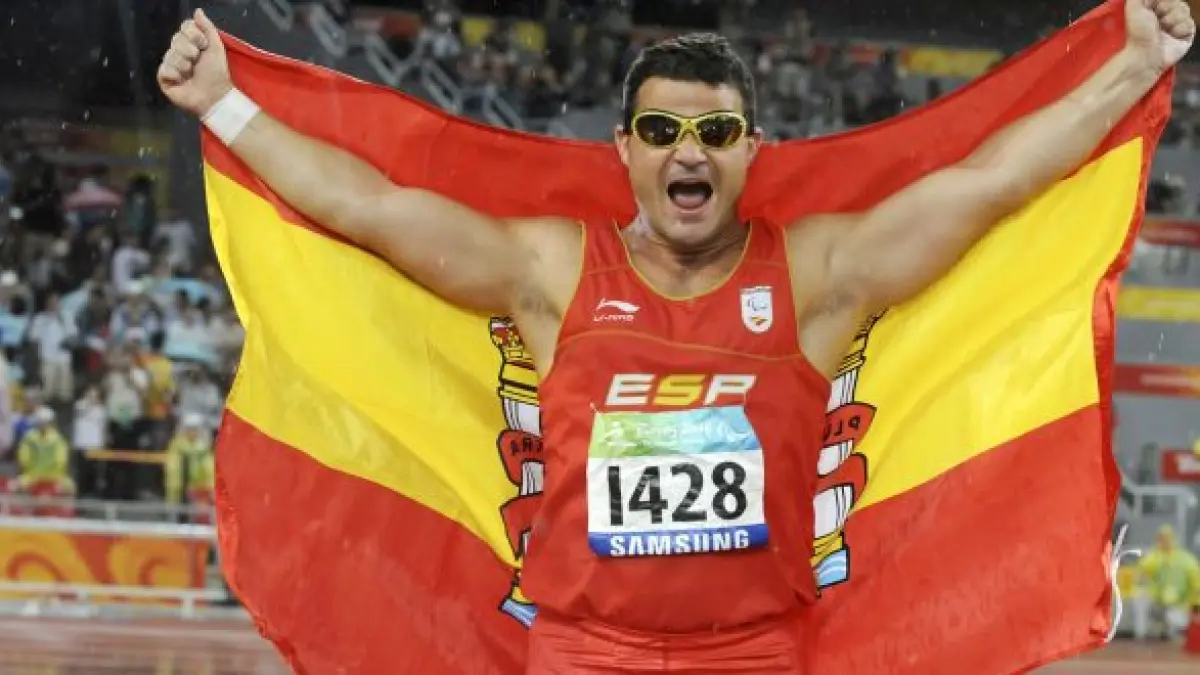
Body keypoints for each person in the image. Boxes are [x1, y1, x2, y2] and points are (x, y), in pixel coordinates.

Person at [158, 2, 1195, 672]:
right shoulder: (554, 273)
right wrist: (224, 106)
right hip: (583, 653)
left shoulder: (817, 277)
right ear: (624, 149)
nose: (685, 152)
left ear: (751, 150)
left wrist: (1136, 62)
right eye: (660, 131)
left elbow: (991, 185)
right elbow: (372, 210)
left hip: (755, 653)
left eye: (713, 133)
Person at [1132, 525, 1200, 641]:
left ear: (1174, 539)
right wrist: (1144, 581)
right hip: (1158, 603)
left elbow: (1196, 585)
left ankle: (1173, 635)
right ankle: (1141, 637)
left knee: (1176, 622)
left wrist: (1195, 607)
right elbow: (1141, 576)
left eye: (1168, 538)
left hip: (1180, 606)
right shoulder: (1153, 557)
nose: (1165, 541)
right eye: (1161, 538)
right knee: (1140, 598)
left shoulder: (1187, 560)